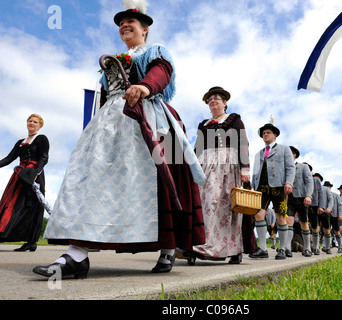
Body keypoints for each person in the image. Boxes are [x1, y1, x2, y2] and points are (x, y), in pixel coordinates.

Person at [33, 1, 206, 279]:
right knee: (92, 178)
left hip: (149, 116)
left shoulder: (155, 51)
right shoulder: (114, 61)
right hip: (110, 124)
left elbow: (162, 72)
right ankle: (77, 255)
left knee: (162, 179)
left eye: (131, 22)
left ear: (145, 29)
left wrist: (145, 86)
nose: (124, 26)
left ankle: (169, 248)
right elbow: (104, 95)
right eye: (121, 24)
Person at [189, 86, 254, 264]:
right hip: (205, 163)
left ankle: (233, 249)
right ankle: (201, 245)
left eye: (217, 98)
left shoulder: (234, 120)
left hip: (227, 164)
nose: (213, 101)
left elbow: (242, 142)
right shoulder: (204, 124)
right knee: (204, 203)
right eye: (210, 99)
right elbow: (197, 148)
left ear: (225, 103)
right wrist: (192, 167)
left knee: (226, 206)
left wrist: (245, 167)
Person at [0, 114, 49, 252]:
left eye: (35, 122)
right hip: (20, 176)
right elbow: (9, 158)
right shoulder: (20, 142)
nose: (32, 123)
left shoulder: (41, 139)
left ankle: (31, 242)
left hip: (34, 176)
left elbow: (44, 158)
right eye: (30, 121)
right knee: (14, 205)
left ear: (39, 126)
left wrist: (35, 174)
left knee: (33, 206)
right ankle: (7, 234)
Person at [250, 118, 295, 260]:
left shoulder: (284, 149)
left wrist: (289, 182)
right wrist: (252, 187)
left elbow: (290, 167)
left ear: (275, 135)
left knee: (281, 216)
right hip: (261, 188)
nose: (265, 135)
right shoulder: (258, 154)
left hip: (279, 187)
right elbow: (255, 172)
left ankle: (282, 248)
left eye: (268, 132)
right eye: (263, 133)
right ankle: (262, 248)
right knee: (258, 214)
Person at [285, 145, 313, 257]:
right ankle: (287, 247)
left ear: (294, 155)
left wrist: (308, 196)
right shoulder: (284, 168)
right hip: (289, 198)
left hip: (302, 198)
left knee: (303, 223)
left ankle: (307, 247)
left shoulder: (303, 167)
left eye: (290, 153)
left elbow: (309, 182)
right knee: (288, 222)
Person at [307, 171, 325, 255]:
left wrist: (321, 206)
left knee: (314, 227)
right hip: (303, 204)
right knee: (305, 225)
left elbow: (321, 194)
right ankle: (307, 247)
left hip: (314, 205)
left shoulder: (316, 181)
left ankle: (316, 246)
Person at [323, 181, 342, 253]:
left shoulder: (336, 195)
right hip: (326, 215)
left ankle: (340, 246)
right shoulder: (323, 195)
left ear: (330, 187)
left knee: (337, 232)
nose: (327, 188)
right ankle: (327, 247)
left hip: (335, 215)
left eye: (328, 186)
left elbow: (340, 205)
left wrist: (340, 214)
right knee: (326, 231)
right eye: (325, 186)